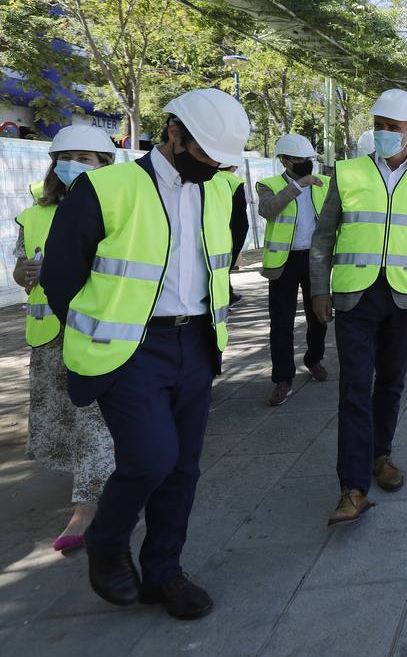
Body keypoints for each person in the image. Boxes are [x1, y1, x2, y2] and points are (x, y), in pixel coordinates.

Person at [41, 88, 250, 620]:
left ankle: (165, 573)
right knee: (150, 458)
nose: (213, 167)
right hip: (130, 349)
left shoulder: (223, 190)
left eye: (221, 160)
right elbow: (62, 277)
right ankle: (108, 542)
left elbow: (224, 256)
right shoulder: (105, 187)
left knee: (183, 468)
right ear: (173, 133)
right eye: (205, 155)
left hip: (197, 342)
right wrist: (100, 334)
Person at [310, 89, 407, 526]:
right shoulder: (346, 174)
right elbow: (324, 236)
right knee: (353, 388)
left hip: (404, 299)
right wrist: (319, 289)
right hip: (355, 296)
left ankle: (380, 456)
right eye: (380, 125)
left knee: (390, 384)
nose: (385, 133)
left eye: (394, 127)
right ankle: (351, 488)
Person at [14, 125, 118, 554]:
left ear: (106, 166)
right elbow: (22, 271)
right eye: (66, 156)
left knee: (94, 417)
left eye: (86, 158)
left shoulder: (118, 208)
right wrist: (25, 275)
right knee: (67, 420)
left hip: (98, 332)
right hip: (50, 337)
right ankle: (96, 485)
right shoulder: (36, 213)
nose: (72, 164)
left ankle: (86, 506)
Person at [257, 133, 330, 407]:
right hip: (282, 263)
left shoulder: (324, 185)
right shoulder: (269, 185)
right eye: (300, 161)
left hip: (315, 260)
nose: (306, 165)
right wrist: (298, 186)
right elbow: (268, 210)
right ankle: (283, 379)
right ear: (285, 161)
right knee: (281, 323)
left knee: (319, 316)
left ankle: (314, 359)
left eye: (309, 160)